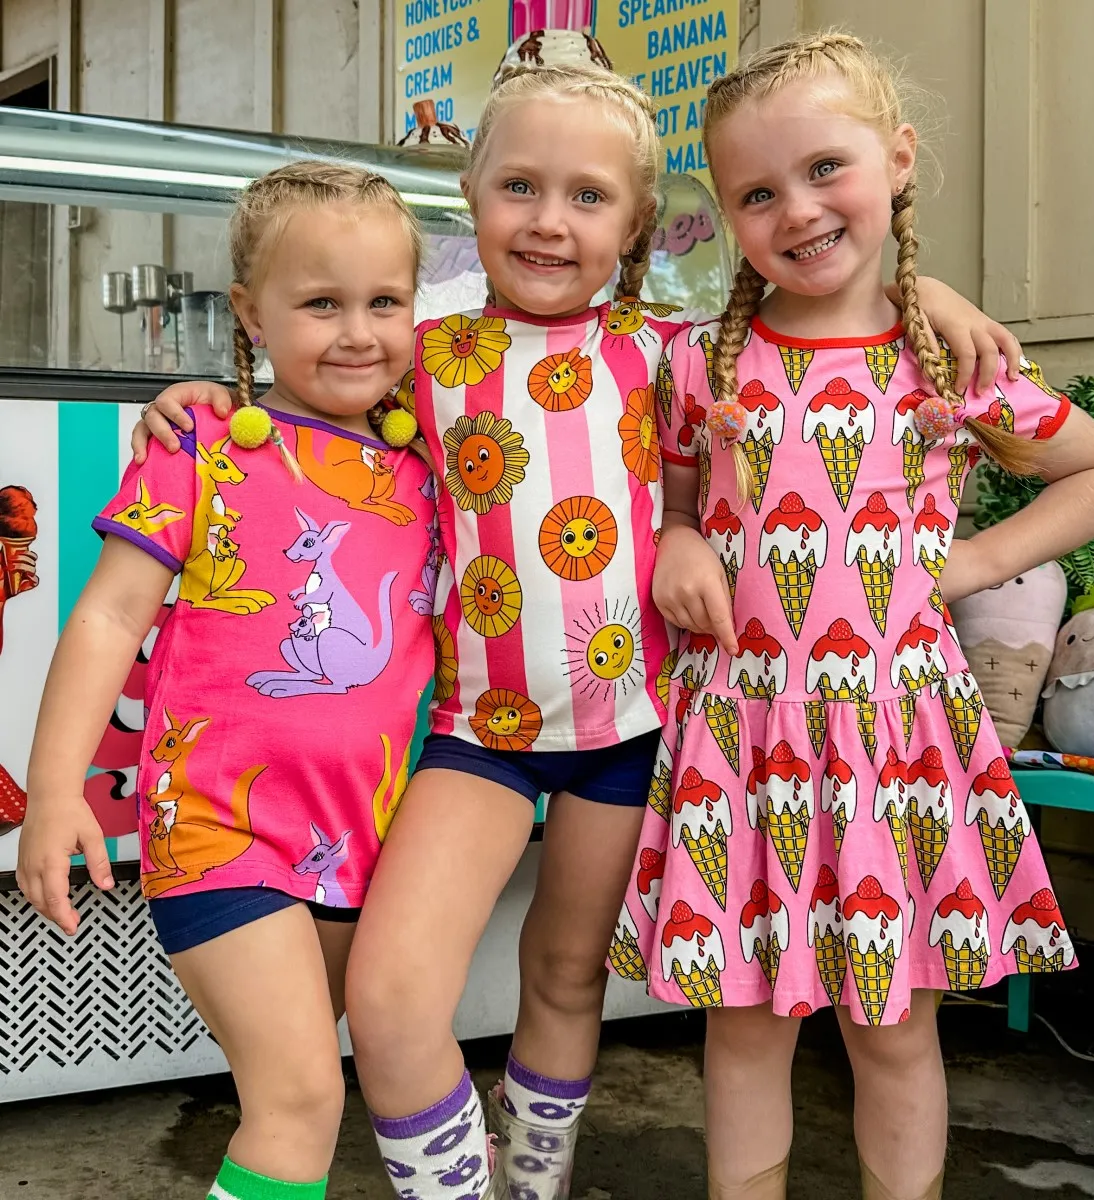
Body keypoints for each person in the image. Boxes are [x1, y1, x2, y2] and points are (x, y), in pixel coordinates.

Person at [132, 63, 1036, 1200]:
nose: (550, 221)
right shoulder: (428, 353)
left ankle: (536, 1182)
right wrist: (206, 397)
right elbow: (326, 362)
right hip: (479, 736)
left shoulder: (682, 355)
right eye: (519, 185)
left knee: (564, 977)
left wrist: (925, 297)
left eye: (589, 197)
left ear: (641, 223)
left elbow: (821, 316)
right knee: (393, 991)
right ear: (471, 195)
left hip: (633, 734)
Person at [622, 32, 1094, 1200]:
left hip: (893, 741)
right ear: (730, 214)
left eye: (825, 169)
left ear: (898, 161)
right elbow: (678, 492)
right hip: (745, 739)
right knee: (744, 1026)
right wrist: (678, 535)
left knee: (894, 1024)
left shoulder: (947, 357)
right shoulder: (704, 361)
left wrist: (973, 562)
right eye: (757, 193)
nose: (796, 210)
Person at [17, 162, 439, 1200]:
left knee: (298, 1088)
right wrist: (56, 790)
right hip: (216, 828)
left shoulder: (430, 460)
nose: (357, 332)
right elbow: (112, 614)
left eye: (385, 302)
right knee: (298, 1102)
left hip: (364, 835)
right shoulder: (198, 445)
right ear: (250, 314)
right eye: (320, 303)